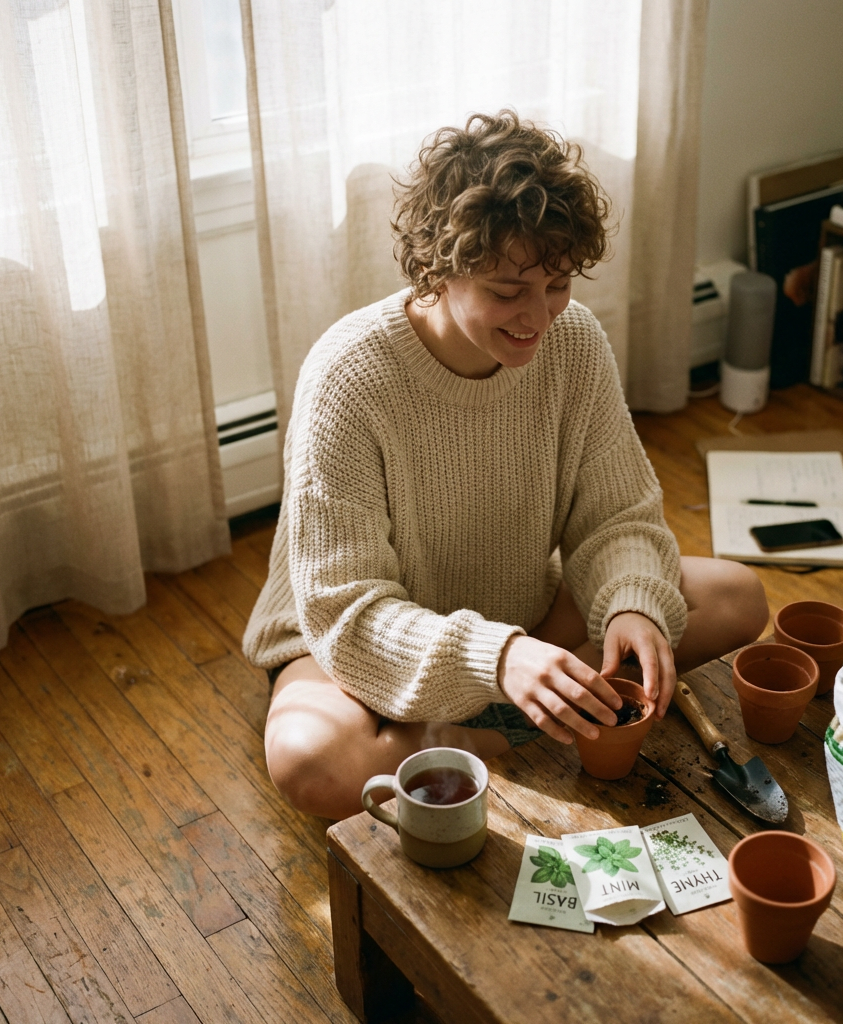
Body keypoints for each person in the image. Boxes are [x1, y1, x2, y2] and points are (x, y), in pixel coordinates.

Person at [244, 110, 768, 820]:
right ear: (439, 268)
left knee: (738, 597)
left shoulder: (574, 341)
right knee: (312, 759)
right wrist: (498, 660)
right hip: (367, 640)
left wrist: (634, 605)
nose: (538, 317)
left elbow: (615, 515)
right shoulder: (347, 376)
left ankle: (479, 731)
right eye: (506, 291)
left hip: (523, 607)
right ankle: (481, 723)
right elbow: (349, 612)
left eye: (557, 284)